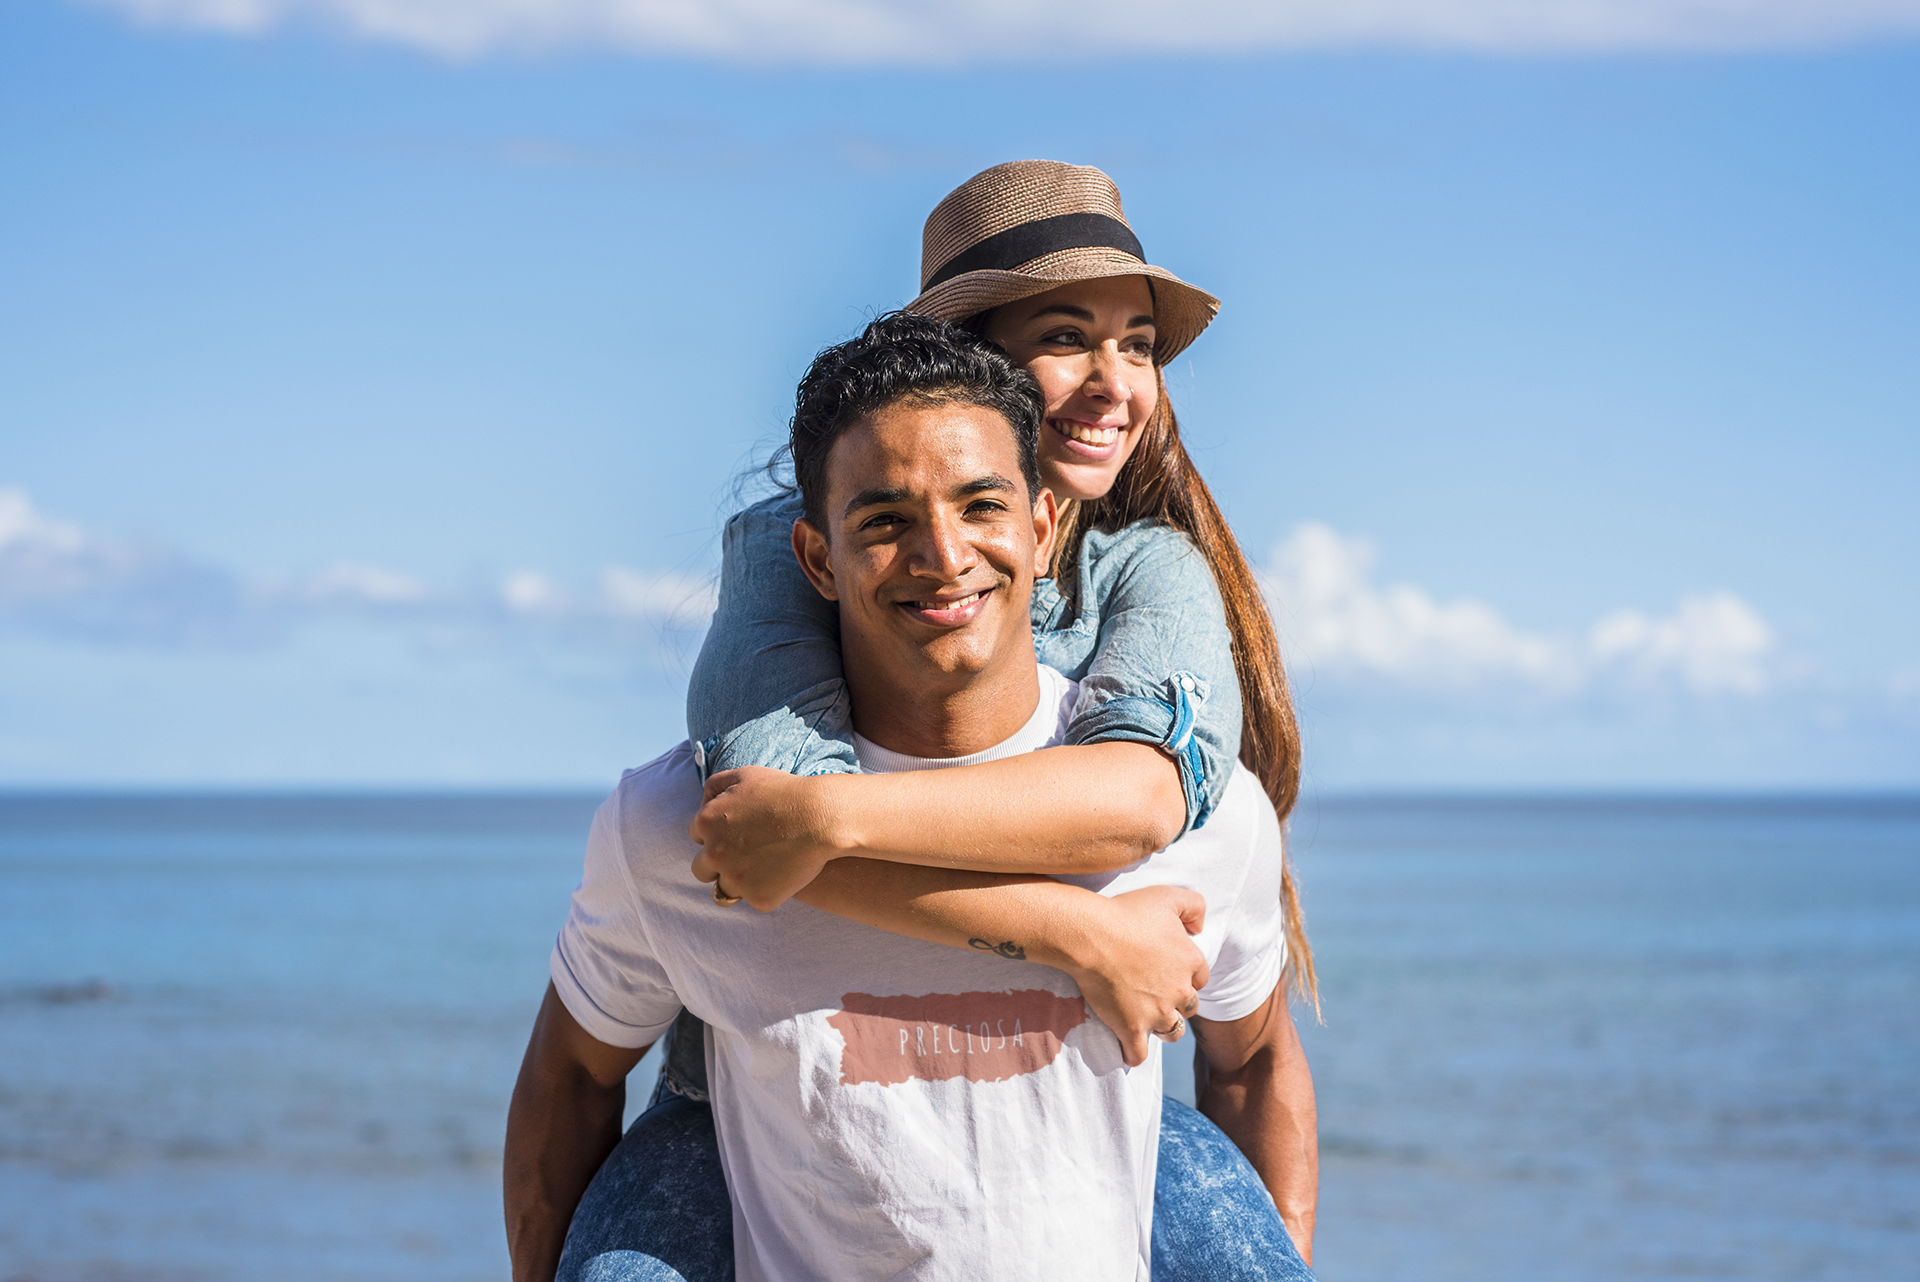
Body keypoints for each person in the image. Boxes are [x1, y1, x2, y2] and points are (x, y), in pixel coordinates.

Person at [505, 314, 1316, 1282]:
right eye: (885, 521)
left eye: (982, 506)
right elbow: (570, 1077)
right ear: (815, 559)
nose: (942, 552)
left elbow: (1254, 1064)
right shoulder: (678, 824)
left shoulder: (1211, 821)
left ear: (1044, 525)